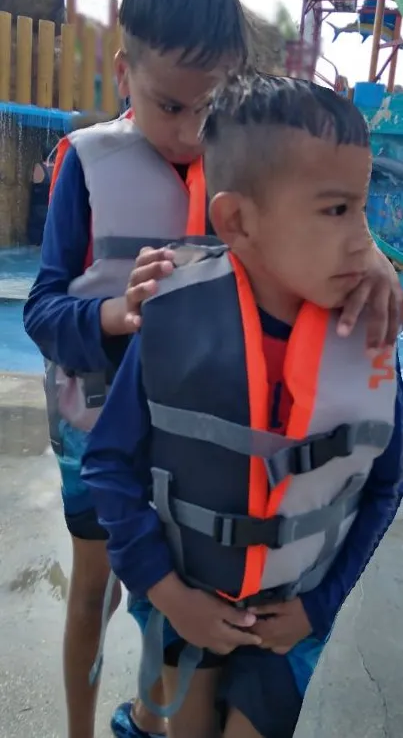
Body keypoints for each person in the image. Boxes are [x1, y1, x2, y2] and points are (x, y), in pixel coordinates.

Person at [81, 76, 403, 738]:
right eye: (334, 210)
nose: (360, 238)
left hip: (295, 614)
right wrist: (169, 595)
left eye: (361, 206)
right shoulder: (172, 320)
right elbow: (108, 468)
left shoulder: (371, 336)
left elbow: (384, 483)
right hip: (185, 597)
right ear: (237, 221)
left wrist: (320, 605)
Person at [23, 0, 248, 738]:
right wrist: (116, 312)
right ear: (124, 73)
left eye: (210, 109)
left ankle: (149, 721)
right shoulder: (86, 166)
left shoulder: (244, 170)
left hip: (185, 441)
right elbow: (43, 310)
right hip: (91, 427)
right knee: (96, 589)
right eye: (168, 105)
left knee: (175, 601)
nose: (191, 132)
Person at [27, 144, 54, 246]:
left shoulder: (39, 167)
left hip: (38, 212)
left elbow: (32, 181)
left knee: (35, 243)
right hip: (51, 211)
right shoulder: (57, 169)